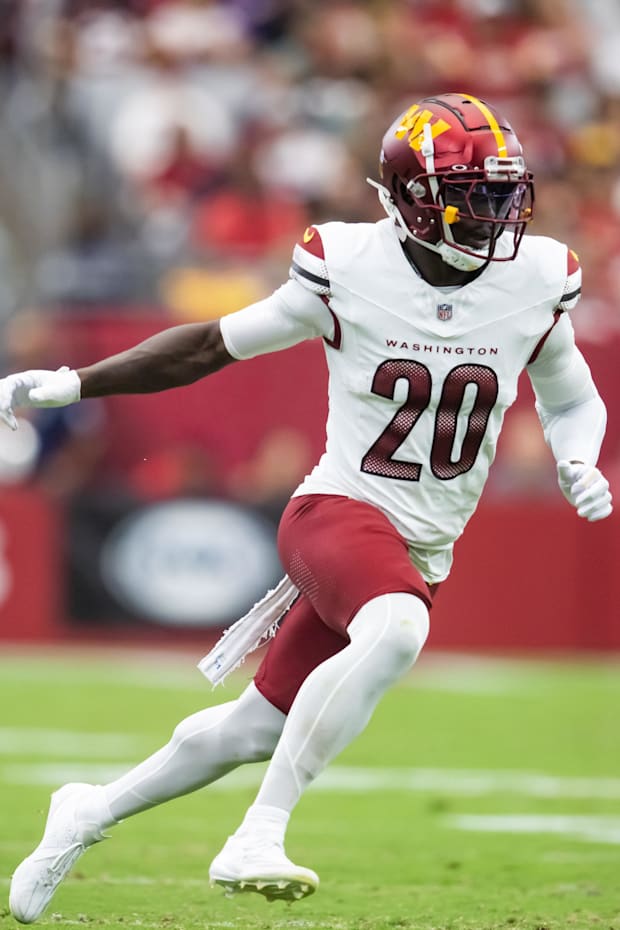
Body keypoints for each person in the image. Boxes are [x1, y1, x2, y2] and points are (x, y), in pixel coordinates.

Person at [2, 92, 613, 924]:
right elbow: (208, 345)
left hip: (422, 544)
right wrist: (73, 382)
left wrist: (577, 455)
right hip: (339, 510)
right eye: (473, 194)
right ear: (413, 200)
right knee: (396, 629)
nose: (496, 214)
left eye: (504, 194)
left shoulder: (539, 280)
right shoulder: (350, 266)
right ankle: (260, 832)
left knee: (251, 729)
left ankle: (86, 812)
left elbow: (572, 397)